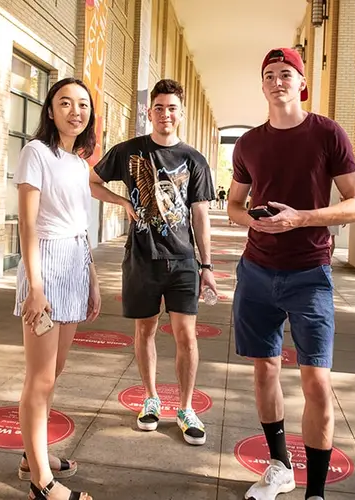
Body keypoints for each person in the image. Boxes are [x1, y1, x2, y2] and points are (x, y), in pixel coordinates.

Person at [227, 48, 355, 500]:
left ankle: (317, 493)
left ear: (301, 81)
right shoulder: (249, 143)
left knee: (316, 381)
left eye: (285, 73)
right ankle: (279, 467)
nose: (276, 81)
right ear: (263, 85)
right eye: (268, 75)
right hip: (256, 271)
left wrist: (300, 218)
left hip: (309, 272)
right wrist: (252, 220)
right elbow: (233, 204)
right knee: (264, 370)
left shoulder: (327, 133)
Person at [90, 79, 217, 446]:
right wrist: (123, 203)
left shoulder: (194, 160)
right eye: (159, 107)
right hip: (142, 259)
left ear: (182, 113)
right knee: (145, 332)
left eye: (172, 108)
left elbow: (200, 216)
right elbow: (92, 180)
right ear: (150, 112)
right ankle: (150, 399)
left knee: (186, 337)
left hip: (181, 262)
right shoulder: (130, 151)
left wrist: (205, 266)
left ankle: (186, 408)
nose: (165, 114)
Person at [14, 77, 101, 500]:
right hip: (45, 268)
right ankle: (42, 484)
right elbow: (27, 225)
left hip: (74, 266)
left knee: (56, 371)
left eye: (82, 104)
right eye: (64, 103)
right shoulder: (35, 153)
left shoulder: (79, 163)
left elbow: (81, 227)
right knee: (40, 379)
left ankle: (34, 457)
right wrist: (35, 286)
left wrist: (92, 280)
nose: (74, 111)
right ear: (50, 111)